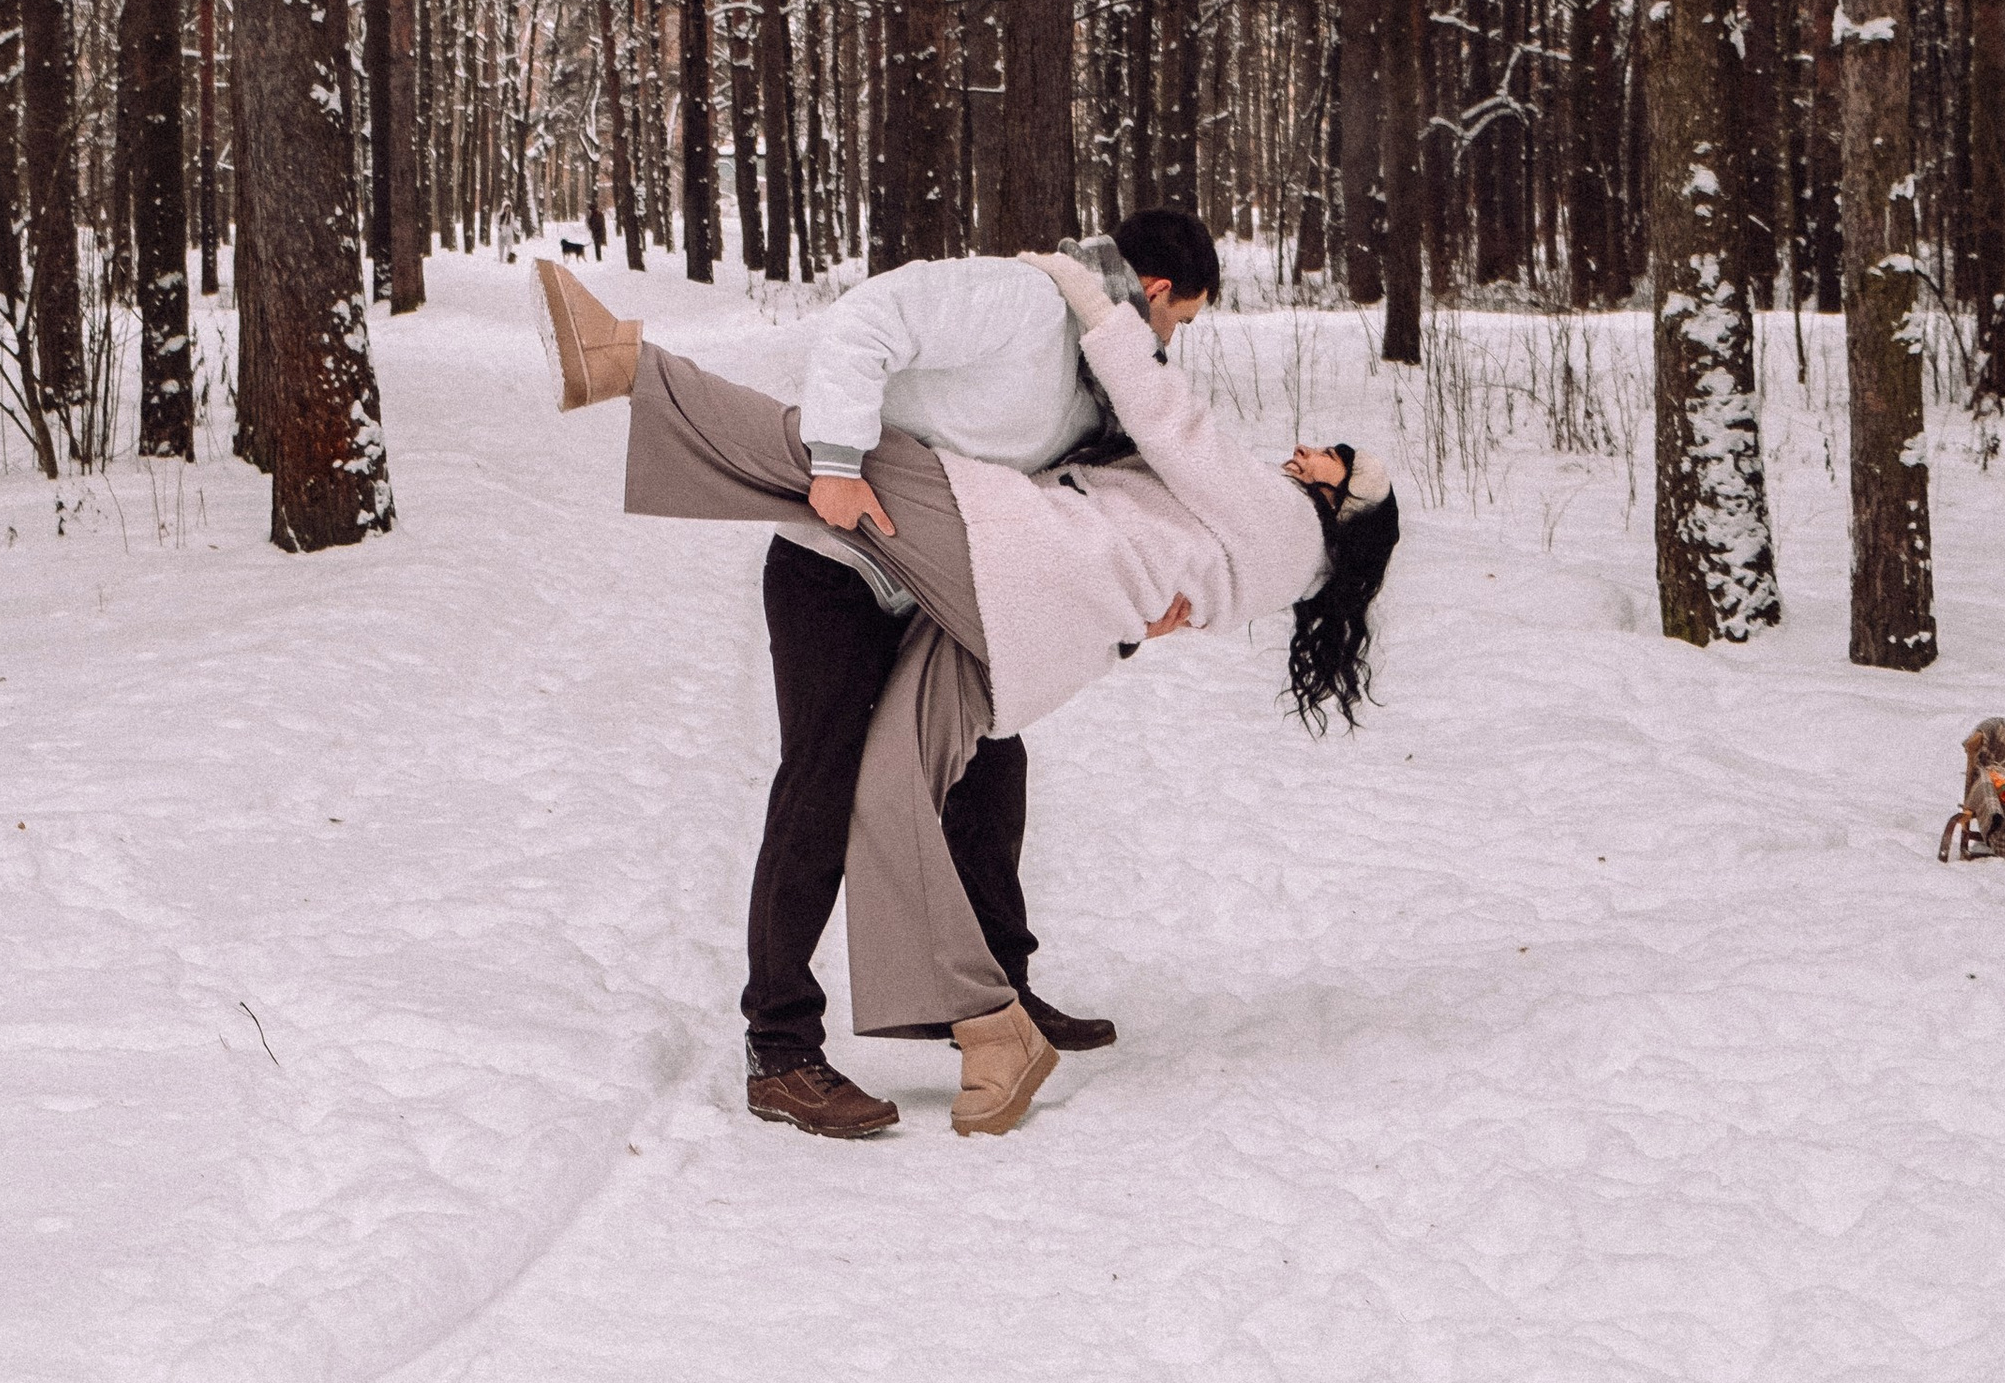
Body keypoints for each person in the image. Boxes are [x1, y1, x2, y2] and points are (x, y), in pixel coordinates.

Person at [537, 242, 1400, 1140]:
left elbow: (1172, 428)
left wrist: (1088, 302)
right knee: (881, 785)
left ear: (1348, 509)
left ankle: (629, 366)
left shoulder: (1283, 522)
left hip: (1010, 567)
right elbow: (1138, 504)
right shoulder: (1031, 319)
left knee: (872, 473)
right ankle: (988, 1025)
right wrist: (1137, 609)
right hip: (968, 588)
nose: (1308, 451)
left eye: (1336, 459)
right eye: (1174, 319)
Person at [728, 214, 1220, 1141]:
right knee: (823, 784)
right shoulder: (1023, 301)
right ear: (1154, 293)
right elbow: (868, 318)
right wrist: (835, 461)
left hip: (942, 591)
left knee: (992, 764)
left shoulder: (1101, 394)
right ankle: (780, 1048)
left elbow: (1071, 531)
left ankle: (998, 996)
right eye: (1179, 323)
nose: (1169, 346)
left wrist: (1131, 615)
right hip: (837, 564)